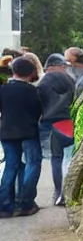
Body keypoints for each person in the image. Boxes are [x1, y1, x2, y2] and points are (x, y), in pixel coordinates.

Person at [0, 58, 42, 218]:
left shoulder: (3, 90)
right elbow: (38, 110)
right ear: (31, 73)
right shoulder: (33, 91)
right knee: (33, 164)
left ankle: (5, 206)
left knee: (11, 166)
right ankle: (26, 203)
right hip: (28, 132)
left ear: (13, 71)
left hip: (7, 132)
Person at [38, 53, 75, 206]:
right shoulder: (71, 80)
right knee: (69, 159)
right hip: (68, 123)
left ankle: (58, 192)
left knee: (56, 159)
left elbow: (38, 104)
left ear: (50, 67)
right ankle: (69, 193)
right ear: (60, 66)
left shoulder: (43, 83)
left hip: (50, 125)